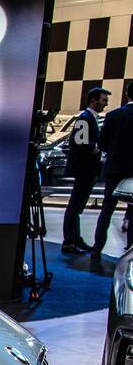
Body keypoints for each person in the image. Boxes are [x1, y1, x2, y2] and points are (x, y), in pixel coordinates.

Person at [61, 86, 109, 255]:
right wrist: (95, 147)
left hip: (88, 169)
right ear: (93, 101)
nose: (106, 103)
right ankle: (69, 241)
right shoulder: (85, 118)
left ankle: (74, 238)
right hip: (84, 168)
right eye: (103, 100)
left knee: (78, 205)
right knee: (75, 205)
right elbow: (77, 141)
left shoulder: (90, 118)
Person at [91, 80, 133, 270]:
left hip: (114, 169)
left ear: (126, 95)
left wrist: (115, 155)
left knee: (106, 210)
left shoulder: (113, 115)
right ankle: (130, 249)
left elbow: (102, 142)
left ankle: (97, 248)